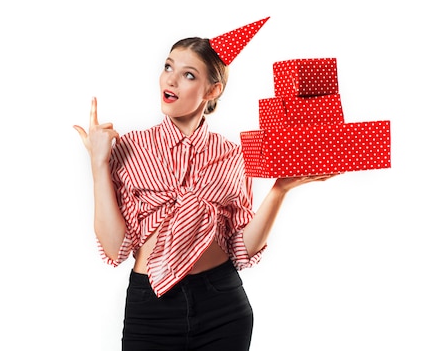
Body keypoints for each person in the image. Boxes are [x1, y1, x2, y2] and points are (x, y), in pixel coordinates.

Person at [73, 17, 335, 351]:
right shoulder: (129, 147)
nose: (171, 80)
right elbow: (114, 248)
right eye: (168, 67)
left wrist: (280, 189)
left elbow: (242, 250)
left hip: (223, 305)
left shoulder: (232, 156)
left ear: (212, 91)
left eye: (188, 74)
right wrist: (99, 164)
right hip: (151, 307)